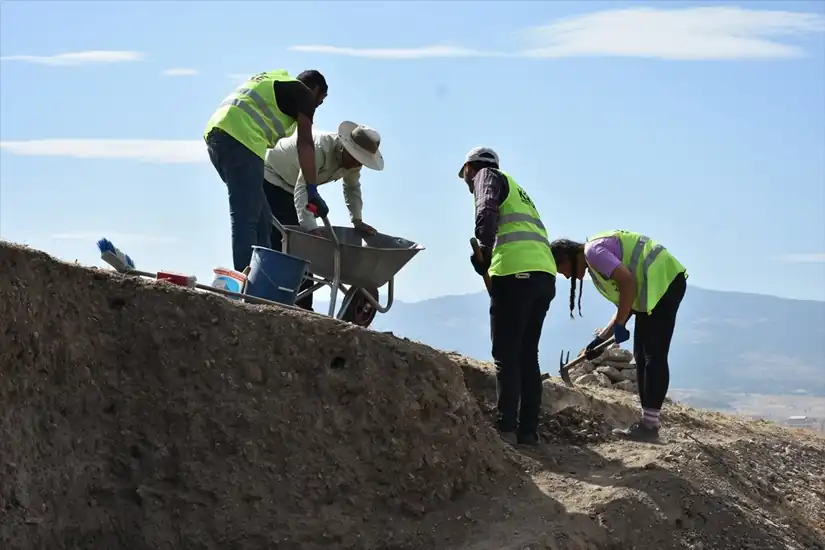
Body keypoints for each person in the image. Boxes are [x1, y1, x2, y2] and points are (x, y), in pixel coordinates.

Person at [549, 231, 688, 442]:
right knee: (642, 355)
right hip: (653, 287)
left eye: (563, 270)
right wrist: (601, 338)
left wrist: (621, 324)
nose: (567, 277)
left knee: (653, 354)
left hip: (663, 282)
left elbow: (628, 283)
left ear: (567, 258)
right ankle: (648, 423)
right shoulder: (595, 266)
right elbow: (625, 302)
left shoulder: (593, 252)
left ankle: (649, 427)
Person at [460, 147, 557, 446]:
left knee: (505, 354)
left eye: (464, 176)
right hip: (544, 274)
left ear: (468, 168)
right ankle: (528, 431)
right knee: (528, 354)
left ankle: (505, 429)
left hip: (516, 274)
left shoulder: (486, 176)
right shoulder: (517, 189)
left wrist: (486, 251)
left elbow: (486, 208)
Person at [204, 69, 328, 272]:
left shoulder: (277, 79)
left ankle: (264, 281)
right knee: (247, 216)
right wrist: (312, 189)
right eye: (319, 101)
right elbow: (305, 143)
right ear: (314, 89)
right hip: (242, 139)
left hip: (218, 137)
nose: (316, 107)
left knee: (263, 218)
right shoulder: (304, 93)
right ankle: (247, 286)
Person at [263, 120, 385, 311]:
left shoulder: (353, 164)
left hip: (295, 187)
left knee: (303, 248)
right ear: (346, 147)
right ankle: (270, 298)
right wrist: (310, 227)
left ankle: (302, 306)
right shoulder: (320, 150)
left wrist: (357, 220)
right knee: (288, 240)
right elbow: (302, 188)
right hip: (273, 178)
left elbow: (352, 188)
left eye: (361, 160)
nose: (356, 163)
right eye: (355, 157)